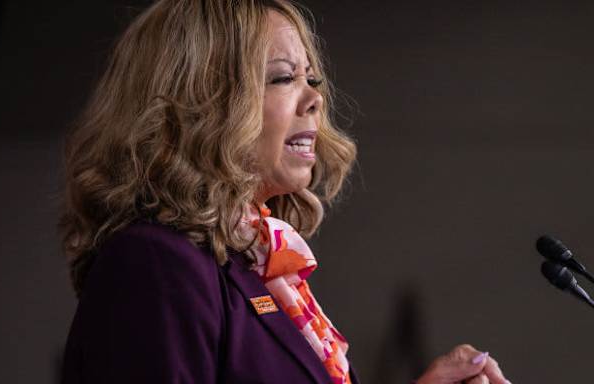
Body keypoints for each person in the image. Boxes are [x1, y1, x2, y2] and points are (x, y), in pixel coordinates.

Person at [59, 1, 511, 383]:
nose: (315, 98)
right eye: (282, 78)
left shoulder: (259, 268)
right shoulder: (154, 264)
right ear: (199, 103)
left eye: (311, 79)